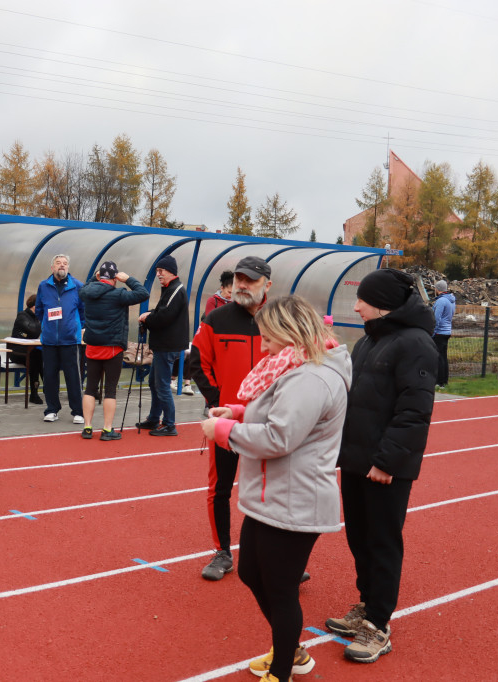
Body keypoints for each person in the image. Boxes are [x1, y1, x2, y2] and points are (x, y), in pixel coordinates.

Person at [201, 295, 350, 682]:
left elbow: (279, 436)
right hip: (273, 494)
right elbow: (279, 413)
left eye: (267, 337)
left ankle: (283, 669)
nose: (263, 345)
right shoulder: (294, 366)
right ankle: (292, 651)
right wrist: (236, 411)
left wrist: (222, 431)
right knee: (251, 572)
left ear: (289, 333)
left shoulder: (312, 376)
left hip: (295, 498)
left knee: (281, 589)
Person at [325, 267, 437, 664]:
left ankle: (378, 625)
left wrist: (387, 460)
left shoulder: (416, 344)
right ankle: (366, 604)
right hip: (356, 460)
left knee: (383, 542)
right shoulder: (369, 342)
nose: (355, 307)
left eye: (362, 301)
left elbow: (414, 411)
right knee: (358, 536)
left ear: (384, 305)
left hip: (386, 466)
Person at [188, 255, 271, 580]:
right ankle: (222, 552)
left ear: (267, 284)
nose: (242, 284)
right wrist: (216, 399)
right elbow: (198, 362)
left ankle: (270, 555)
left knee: (270, 487)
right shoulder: (216, 319)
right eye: (239, 278)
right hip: (226, 419)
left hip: (269, 421)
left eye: (250, 279)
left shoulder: (279, 318)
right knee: (220, 487)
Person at [78, 261, 149, 440]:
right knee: (110, 390)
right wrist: (128, 279)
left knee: (90, 389)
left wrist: (94, 277)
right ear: (115, 277)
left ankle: (87, 428)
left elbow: (87, 285)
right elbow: (143, 293)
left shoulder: (86, 293)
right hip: (112, 348)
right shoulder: (119, 294)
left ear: (99, 276)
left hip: (92, 347)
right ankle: (107, 429)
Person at [136, 255, 189, 436]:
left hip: (167, 345)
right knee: (154, 383)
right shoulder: (169, 288)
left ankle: (169, 424)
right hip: (163, 345)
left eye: (161, 271)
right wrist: (150, 314)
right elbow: (161, 311)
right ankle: (153, 418)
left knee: (162, 385)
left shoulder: (176, 289)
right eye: (157, 271)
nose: (158, 274)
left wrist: (148, 318)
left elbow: (165, 317)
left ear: (171, 271)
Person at [34, 254, 85, 424]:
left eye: (65, 264)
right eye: (58, 263)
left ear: (68, 267)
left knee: (73, 377)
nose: (62, 266)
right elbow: (39, 310)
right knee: (49, 377)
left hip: (70, 340)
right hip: (49, 341)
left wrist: (75, 326)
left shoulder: (78, 286)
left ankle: (78, 411)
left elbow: (84, 311)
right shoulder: (43, 286)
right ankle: (52, 410)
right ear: (52, 267)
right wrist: (46, 327)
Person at [8, 294, 43, 405]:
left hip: (30, 351)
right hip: (16, 351)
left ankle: (38, 391)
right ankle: (36, 392)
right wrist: (44, 323)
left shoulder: (37, 318)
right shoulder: (22, 316)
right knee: (36, 357)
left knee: (38, 356)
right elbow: (33, 331)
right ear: (35, 306)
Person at [431, 279, 455, 389]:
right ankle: (444, 380)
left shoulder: (441, 301)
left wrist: (433, 332)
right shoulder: (451, 301)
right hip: (447, 331)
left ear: (438, 289)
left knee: (439, 357)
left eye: (435, 288)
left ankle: (439, 382)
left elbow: (436, 318)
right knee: (443, 357)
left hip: (439, 332)